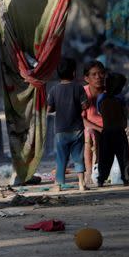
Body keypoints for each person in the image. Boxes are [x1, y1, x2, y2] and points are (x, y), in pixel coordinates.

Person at [47, 58, 87, 192]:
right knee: (78, 157)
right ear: (74, 73)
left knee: (61, 158)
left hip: (60, 131)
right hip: (77, 129)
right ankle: (81, 184)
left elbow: (49, 109)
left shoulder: (54, 90)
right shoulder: (78, 88)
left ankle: (58, 185)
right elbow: (85, 105)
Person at [95, 72, 129, 187]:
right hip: (119, 131)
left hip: (106, 132)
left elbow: (99, 111)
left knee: (104, 158)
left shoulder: (101, 98)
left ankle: (101, 179)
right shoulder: (120, 99)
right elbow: (124, 114)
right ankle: (126, 178)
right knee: (123, 157)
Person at [81, 60, 106, 187]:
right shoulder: (83, 93)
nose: (98, 77)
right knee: (90, 133)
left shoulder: (109, 92)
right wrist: (99, 129)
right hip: (91, 130)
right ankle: (89, 171)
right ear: (86, 78)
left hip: (109, 129)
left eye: (101, 73)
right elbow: (81, 119)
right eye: (94, 74)